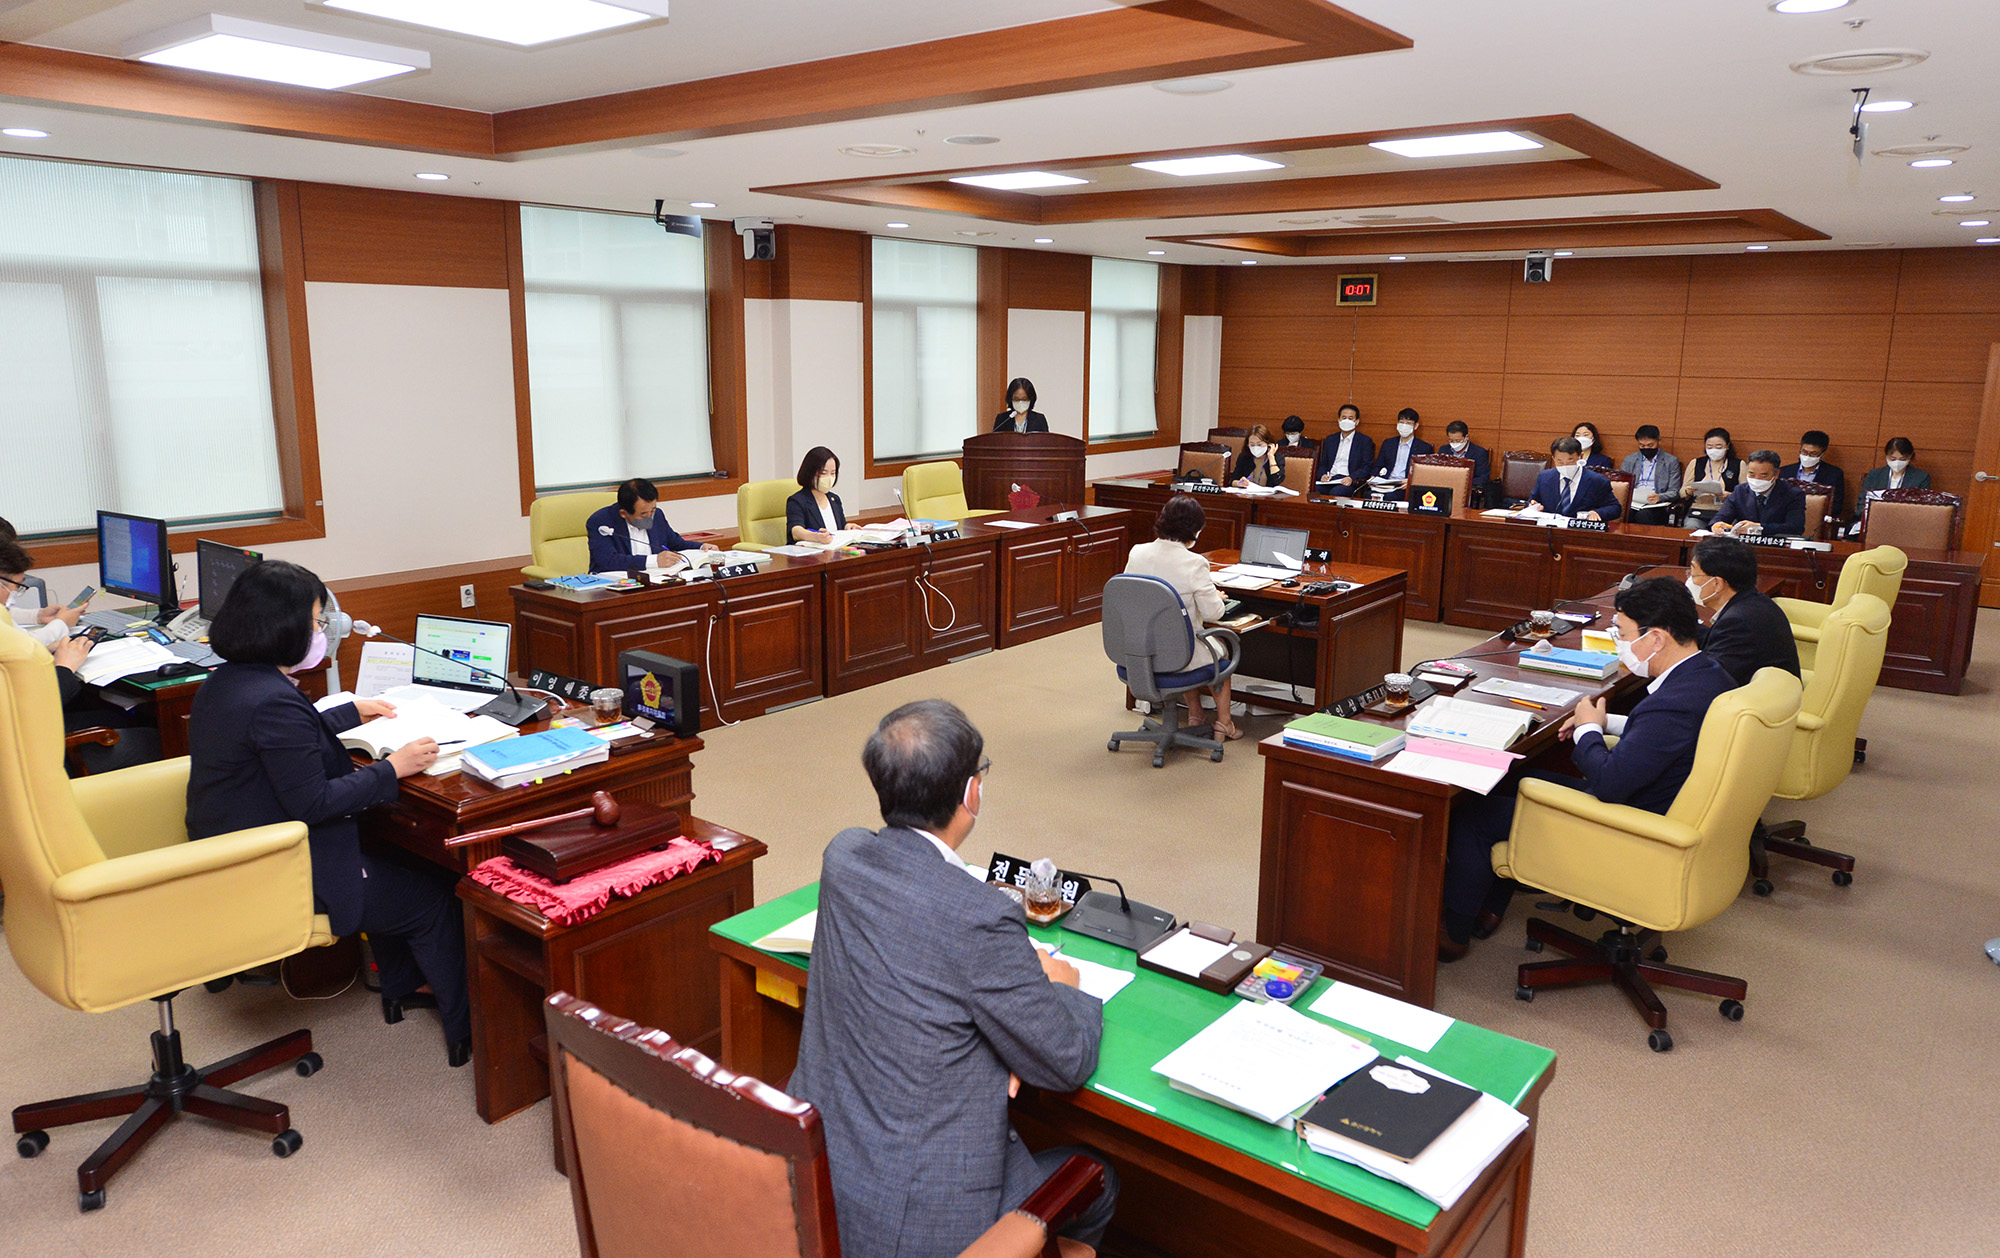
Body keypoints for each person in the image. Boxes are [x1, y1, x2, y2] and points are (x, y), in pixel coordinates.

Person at [789, 700, 1119, 1258]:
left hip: (822, 1174)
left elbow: (918, 974)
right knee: (1100, 1177)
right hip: (923, 1223)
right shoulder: (979, 914)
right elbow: (1064, 1062)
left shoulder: (842, 856)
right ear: (971, 792)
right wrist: (1061, 986)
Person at [184, 560, 471, 1065]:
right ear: (284, 627)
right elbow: (312, 800)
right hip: (281, 868)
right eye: (317, 622)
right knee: (432, 896)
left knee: (395, 858)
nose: (322, 632)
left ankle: (403, 987)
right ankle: (463, 1027)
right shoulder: (272, 700)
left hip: (232, 849)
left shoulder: (230, 681)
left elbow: (281, 740)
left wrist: (348, 713)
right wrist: (395, 769)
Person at [1439, 578, 1737, 958]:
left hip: (1633, 825)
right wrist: (1604, 721)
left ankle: (1454, 933)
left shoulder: (1674, 701)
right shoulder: (1707, 675)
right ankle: (1490, 908)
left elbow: (1611, 784)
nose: (1619, 642)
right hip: (1660, 799)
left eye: (1623, 633)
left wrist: (1589, 731)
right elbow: (1667, 739)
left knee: (1475, 814)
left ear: (1657, 638)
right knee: (1512, 778)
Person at [0, 534, 160, 774]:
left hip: (23, 736)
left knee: (115, 717)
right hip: (30, 754)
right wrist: (65, 667)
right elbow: (33, 702)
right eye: (15, 588)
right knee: (157, 739)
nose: (13, 596)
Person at [1124, 495, 1239, 739]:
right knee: (1217, 651)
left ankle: (1196, 713)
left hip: (1139, 654)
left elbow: (1129, 598)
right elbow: (1214, 613)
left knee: (1184, 637)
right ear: (1195, 530)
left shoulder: (1137, 553)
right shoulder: (1195, 563)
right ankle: (1225, 724)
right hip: (1178, 656)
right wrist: (1216, 596)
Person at [1688, 536, 1800, 686]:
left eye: (1694, 575)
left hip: (1758, 705)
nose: (1690, 580)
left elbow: (1707, 681)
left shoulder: (1738, 622)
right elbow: (1716, 638)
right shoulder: (1755, 602)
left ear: (1717, 583)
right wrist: (1678, 626)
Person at [586, 477, 717, 574]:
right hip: (615, 585)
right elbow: (607, 561)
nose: (649, 517)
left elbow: (676, 543)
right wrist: (654, 561)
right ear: (624, 513)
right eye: (643, 514)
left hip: (655, 580)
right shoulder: (601, 522)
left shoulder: (658, 515)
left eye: (652, 510)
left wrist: (701, 547)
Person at [1711, 450, 1806, 537]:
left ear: (1776, 474)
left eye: (1763, 475)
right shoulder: (1740, 491)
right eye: (1751, 474)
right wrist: (1717, 524)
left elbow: (1795, 527)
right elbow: (1721, 516)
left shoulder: (1793, 494)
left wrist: (1759, 527)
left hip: (1776, 545)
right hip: (1743, 546)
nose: (1757, 479)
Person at [1526, 437, 1621, 521]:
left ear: (1581, 457)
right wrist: (1533, 506)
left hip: (1580, 533)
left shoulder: (1596, 481)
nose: (1565, 466)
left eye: (1570, 461)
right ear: (1553, 459)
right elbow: (1532, 501)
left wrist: (1597, 512)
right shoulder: (1544, 477)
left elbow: (1615, 508)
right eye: (1560, 462)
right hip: (1550, 530)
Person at [1679, 427, 1742, 525]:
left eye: (1719, 447)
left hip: (1725, 511)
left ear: (1727, 446)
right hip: (1699, 510)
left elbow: (1745, 494)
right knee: (1692, 525)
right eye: (1709, 447)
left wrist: (1729, 496)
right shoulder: (1696, 463)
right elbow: (1682, 492)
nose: (1714, 450)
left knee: (1724, 528)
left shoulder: (1738, 464)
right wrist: (1689, 491)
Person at [1310, 403, 1374, 498]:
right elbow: (1323, 463)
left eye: (1350, 418)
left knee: (1336, 493)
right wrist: (1322, 475)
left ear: (1357, 422)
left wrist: (1351, 478)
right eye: (1344, 418)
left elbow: (1367, 467)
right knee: (1313, 489)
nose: (1346, 421)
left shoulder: (1365, 441)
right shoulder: (1331, 439)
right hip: (1330, 479)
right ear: (1339, 420)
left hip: (1347, 479)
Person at [1367, 408, 1433, 499]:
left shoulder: (1424, 447)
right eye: (1401, 422)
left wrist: (1411, 481)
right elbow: (1378, 465)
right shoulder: (1388, 443)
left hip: (1403, 486)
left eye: (1408, 423)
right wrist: (1373, 478)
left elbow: (1425, 473)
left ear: (1416, 426)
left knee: (1391, 497)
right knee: (1369, 495)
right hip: (1386, 483)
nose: (1404, 426)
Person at [1621, 425, 1682, 525]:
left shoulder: (1670, 461)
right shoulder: (1630, 460)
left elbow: (1674, 491)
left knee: (1644, 515)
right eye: (1642, 446)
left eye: (1650, 445)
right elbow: (1622, 485)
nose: (1646, 449)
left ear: (1658, 441)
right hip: (1633, 502)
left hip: (1656, 504)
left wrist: (1660, 497)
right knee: (1623, 513)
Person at [1783, 430, 1846, 523]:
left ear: (1822, 455)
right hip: (1785, 519)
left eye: (1813, 454)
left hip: (1815, 520)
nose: (1807, 456)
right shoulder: (1784, 471)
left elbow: (1836, 506)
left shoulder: (1834, 474)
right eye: (1804, 452)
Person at [787, 446, 848, 543]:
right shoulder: (797, 501)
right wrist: (816, 537)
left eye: (833, 473)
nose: (829, 478)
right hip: (809, 555)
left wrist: (848, 527)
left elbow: (840, 526)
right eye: (823, 473)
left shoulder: (834, 499)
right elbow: (796, 531)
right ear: (810, 472)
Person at [1439, 421, 1492, 505]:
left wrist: (1461, 483)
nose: (1454, 443)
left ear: (1466, 437)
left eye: (1458, 440)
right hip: (1445, 489)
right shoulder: (1444, 450)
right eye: (1451, 440)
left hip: (1467, 491)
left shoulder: (1480, 453)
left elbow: (1483, 478)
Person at [1230, 423, 1286, 489]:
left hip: (1267, 497)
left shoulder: (1277, 457)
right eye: (1252, 445)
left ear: (1268, 443)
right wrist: (1239, 483)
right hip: (1247, 495)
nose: (1256, 448)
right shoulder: (1244, 456)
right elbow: (1232, 481)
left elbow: (1277, 480)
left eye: (1259, 444)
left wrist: (1271, 457)